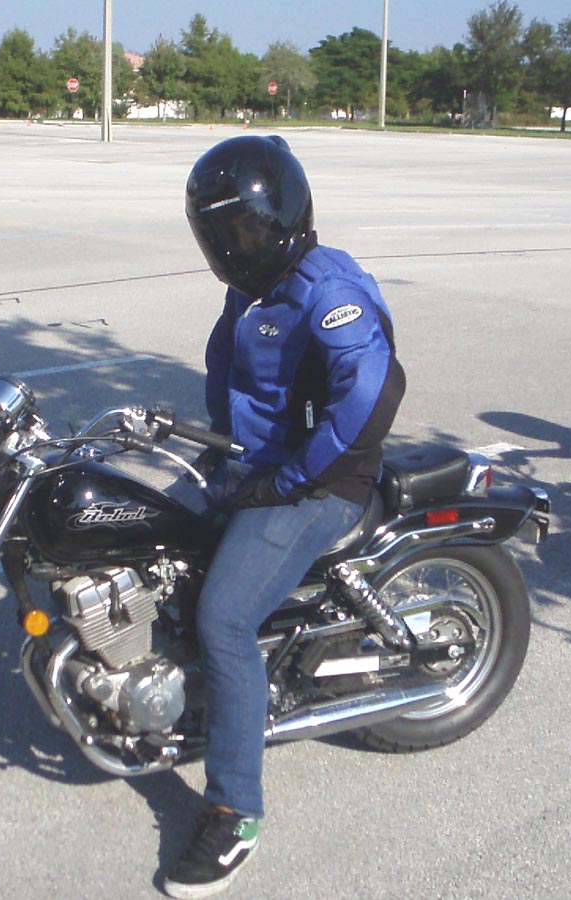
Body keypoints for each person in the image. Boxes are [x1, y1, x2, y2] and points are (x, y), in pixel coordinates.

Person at [163, 135, 405, 899]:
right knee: (144, 535)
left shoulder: (329, 291)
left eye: (244, 228)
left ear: (282, 215)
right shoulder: (253, 287)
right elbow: (226, 372)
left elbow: (370, 395)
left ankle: (234, 810)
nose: (233, 245)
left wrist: (289, 479)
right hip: (253, 465)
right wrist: (215, 451)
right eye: (220, 233)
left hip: (322, 481)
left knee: (226, 618)